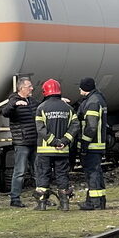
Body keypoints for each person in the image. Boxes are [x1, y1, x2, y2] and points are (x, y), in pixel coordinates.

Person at [33, 78, 75, 211]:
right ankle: (64, 204)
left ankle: (41, 204)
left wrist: (53, 142)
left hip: (45, 150)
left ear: (45, 92)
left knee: (43, 175)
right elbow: (75, 126)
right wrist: (64, 141)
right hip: (62, 150)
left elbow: (40, 129)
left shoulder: (41, 108)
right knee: (62, 175)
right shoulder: (68, 108)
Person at [0, 77, 38, 207]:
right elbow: (5, 112)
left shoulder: (31, 101)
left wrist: (57, 100)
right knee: (19, 171)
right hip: (22, 142)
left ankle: (42, 197)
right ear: (21, 88)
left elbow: (41, 107)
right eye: (29, 86)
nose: (32, 88)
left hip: (34, 140)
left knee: (38, 171)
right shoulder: (14, 100)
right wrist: (14, 104)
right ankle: (15, 199)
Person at [72, 77, 108, 210]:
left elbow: (91, 126)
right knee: (96, 173)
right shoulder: (98, 99)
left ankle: (93, 203)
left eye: (80, 87)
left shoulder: (92, 102)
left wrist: (84, 143)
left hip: (92, 145)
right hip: (97, 144)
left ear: (84, 88)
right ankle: (100, 201)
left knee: (92, 173)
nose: (79, 89)